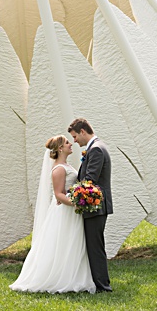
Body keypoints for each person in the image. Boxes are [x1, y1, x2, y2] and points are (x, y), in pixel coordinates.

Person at [10, 135, 95, 294]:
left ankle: (73, 275)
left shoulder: (66, 165)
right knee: (62, 243)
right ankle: (58, 278)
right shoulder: (58, 169)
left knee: (72, 243)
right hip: (64, 212)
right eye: (67, 142)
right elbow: (58, 195)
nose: (71, 144)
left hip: (72, 211)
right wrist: (78, 203)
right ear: (60, 148)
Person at [68, 117, 114, 292]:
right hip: (94, 206)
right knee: (94, 245)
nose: (75, 141)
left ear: (82, 131)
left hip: (95, 206)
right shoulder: (96, 147)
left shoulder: (96, 150)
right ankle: (98, 283)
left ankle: (103, 286)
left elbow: (89, 181)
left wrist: (71, 194)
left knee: (95, 247)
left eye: (74, 136)